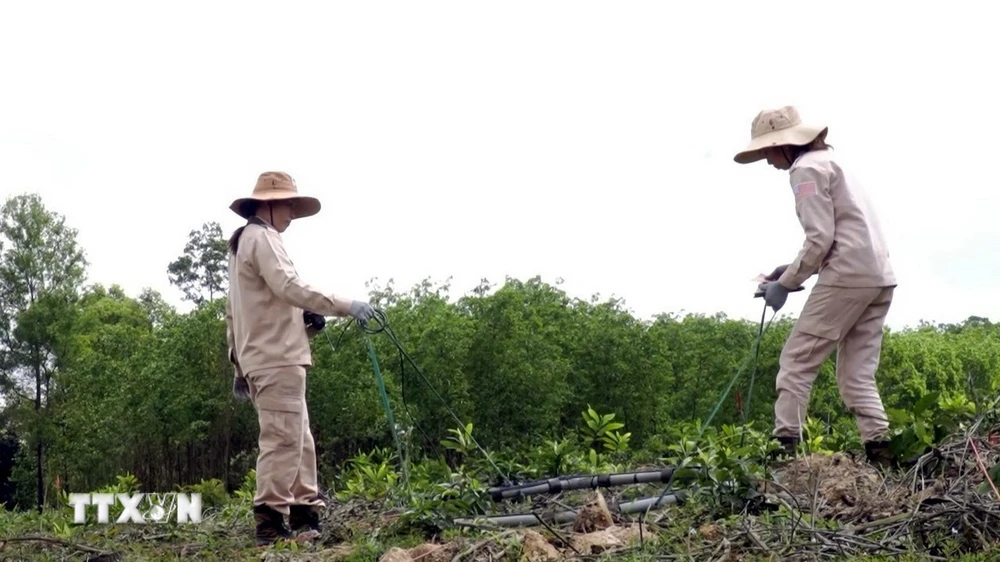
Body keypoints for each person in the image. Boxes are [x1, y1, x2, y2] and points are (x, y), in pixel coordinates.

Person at [734, 106, 897, 466]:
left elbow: (820, 237)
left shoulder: (804, 170)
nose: (766, 160)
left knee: (795, 360)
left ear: (784, 146)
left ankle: (784, 453)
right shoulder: (833, 164)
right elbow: (841, 231)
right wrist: (788, 269)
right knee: (857, 375)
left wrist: (786, 284)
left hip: (847, 275)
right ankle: (882, 453)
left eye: (766, 152)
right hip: (879, 276)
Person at [225, 171, 377, 546]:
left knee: (299, 439)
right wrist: (347, 305)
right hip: (276, 361)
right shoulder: (263, 237)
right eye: (289, 205)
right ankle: (271, 525)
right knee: (282, 440)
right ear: (269, 204)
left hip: (267, 358)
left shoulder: (245, 243)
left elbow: (242, 313)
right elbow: (289, 287)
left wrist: (240, 365)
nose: (292, 213)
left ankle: (306, 514)